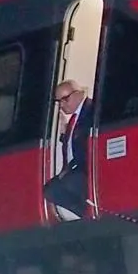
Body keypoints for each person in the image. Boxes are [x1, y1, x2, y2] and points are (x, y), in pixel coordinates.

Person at [43, 78, 94, 220]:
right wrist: (63, 134)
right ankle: (85, 214)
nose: (62, 105)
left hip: (84, 169)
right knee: (50, 190)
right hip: (74, 169)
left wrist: (69, 170)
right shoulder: (73, 119)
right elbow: (73, 142)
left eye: (65, 99)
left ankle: (89, 214)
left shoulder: (91, 111)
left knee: (68, 183)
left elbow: (85, 145)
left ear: (79, 93)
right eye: (58, 101)